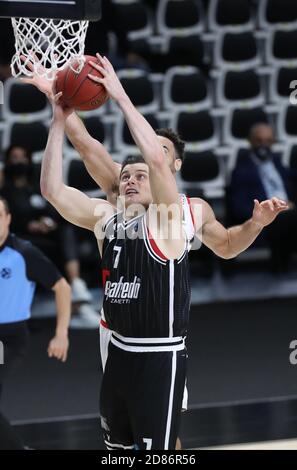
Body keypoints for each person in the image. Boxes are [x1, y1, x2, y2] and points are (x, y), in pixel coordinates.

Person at [35, 55, 287, 449]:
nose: (143, 165)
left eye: (160, 153)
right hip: (115, 332)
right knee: (126, 441)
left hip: (159, 337)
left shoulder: (184, 210)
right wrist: (60, 101)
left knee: (162, 439)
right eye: (131, 170)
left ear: (174, 164)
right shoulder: (121, 195)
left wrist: (254, 224)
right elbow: (81, 149)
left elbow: (225, 247)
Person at [0, 144, 100, 326]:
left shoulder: (37, 187)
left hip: (47, 239)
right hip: (18, 238)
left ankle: (77, 290)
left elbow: (52, 210)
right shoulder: (4, 190)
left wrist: (48, 222)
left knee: (66, 230)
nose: (19, 161)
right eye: (14, 157)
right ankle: (76, 298)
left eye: (23, 157)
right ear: (7, 162)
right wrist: (29, 225)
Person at [0, 195, 71, 449]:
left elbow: (62, 287)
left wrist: (61, 333)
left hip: (7, 338)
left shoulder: (23, 252)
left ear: (8, 219)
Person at [229, 123, 297, 272]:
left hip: (289, 210)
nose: (263, 145)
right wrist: (267, 211)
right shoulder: (241, 171)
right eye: (259, 141)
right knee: (285, 219)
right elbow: (238, 207)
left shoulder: (277, 163)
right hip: (267, 217)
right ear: (251, 142)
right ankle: (281, 267)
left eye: (268, 141)